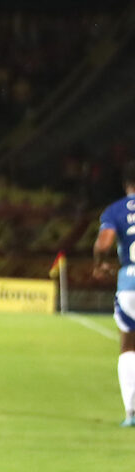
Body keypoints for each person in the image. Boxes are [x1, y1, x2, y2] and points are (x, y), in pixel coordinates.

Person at [93, 161, 135, 426]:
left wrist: (99, 264)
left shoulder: (115, 210)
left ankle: (132, 412)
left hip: (130, 282)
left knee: (128, 346)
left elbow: (104, 243)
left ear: (125, 183)